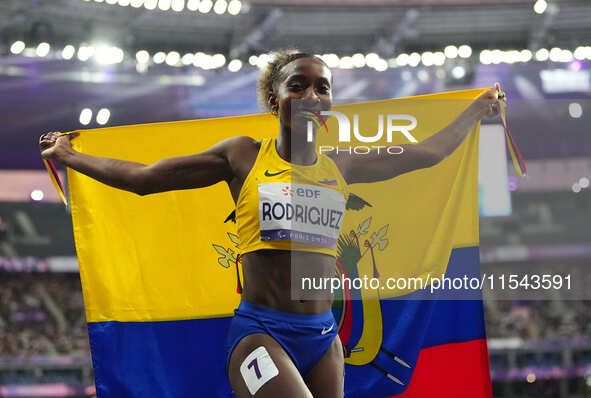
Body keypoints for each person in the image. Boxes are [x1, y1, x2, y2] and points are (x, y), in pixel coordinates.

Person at [39, 49, 503, 398]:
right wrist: (71, 156)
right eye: (298, 85)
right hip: (261, 333)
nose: (311, 95)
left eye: (322, 87)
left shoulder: (341, 165)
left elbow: (430, 152)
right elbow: (143, 180)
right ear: (273, 97)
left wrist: (478, 111)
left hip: (324, 338)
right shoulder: (243, 156)